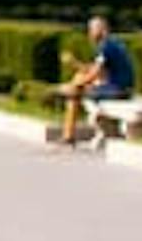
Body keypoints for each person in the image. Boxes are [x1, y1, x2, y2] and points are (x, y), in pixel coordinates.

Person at [55, 16, 136, 146]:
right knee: (77, 81)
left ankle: (68, 136)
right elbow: (95, 70)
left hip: (118, 90)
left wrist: (74, 85)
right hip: (117, 87)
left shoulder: (106, 47)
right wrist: (75, 64)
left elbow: (94, 74)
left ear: (103, 30)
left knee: (73, 93)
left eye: (92, 29)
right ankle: (68, 135)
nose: (90, 33)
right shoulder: (111, 44)